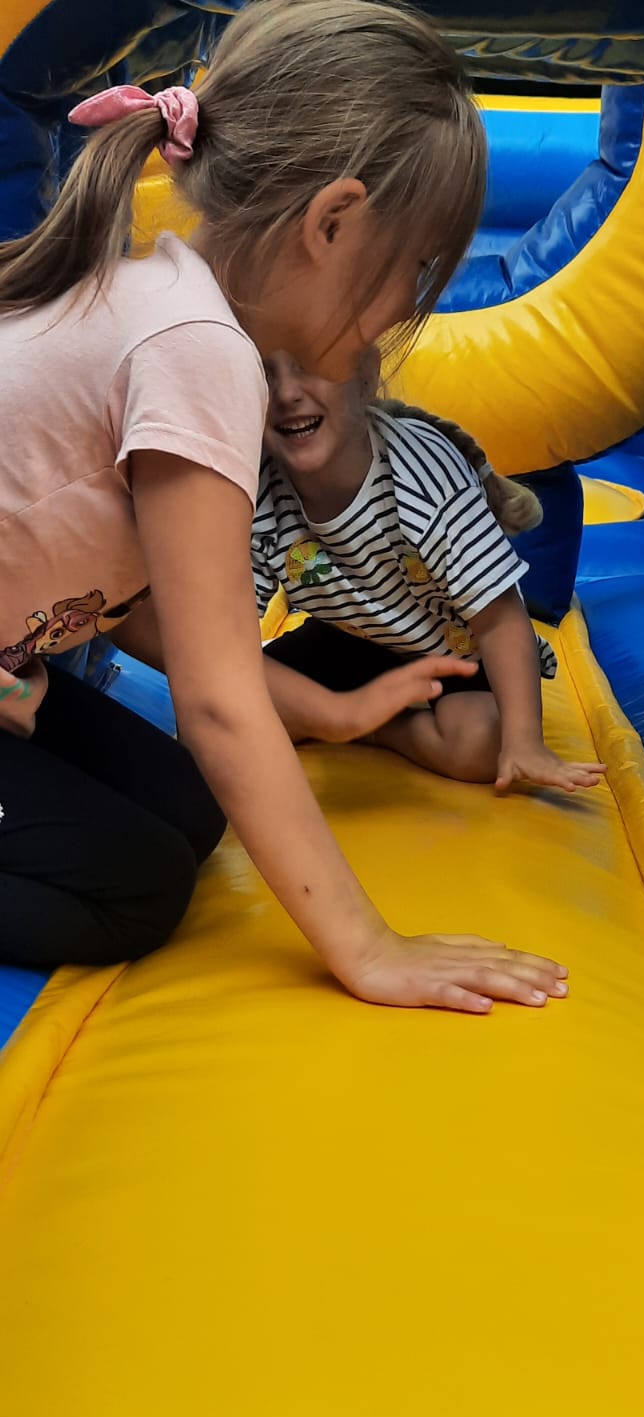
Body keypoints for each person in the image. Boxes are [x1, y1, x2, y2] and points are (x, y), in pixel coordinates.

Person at [0, 0, 569, 1015]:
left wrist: (339, 713)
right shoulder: (198, 352)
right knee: (138, 888)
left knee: (187, 811)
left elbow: (156, 622)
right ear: (334, 223)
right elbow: (218, 699)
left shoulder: (170, 303)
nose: (405, 311)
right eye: (415, 270)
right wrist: (371, 947)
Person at [255, 349, 606, 792]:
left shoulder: (420, 471)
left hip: (454, 648)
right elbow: (225, 650)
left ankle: (383, 729)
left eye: (310, 367)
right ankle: (348, 714)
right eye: (265, 374)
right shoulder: (253, 486)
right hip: (349, 637)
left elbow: (500, 620)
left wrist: (525, 743)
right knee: (231, 714)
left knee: (484, 745)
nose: (287, 393)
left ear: (365, 377)